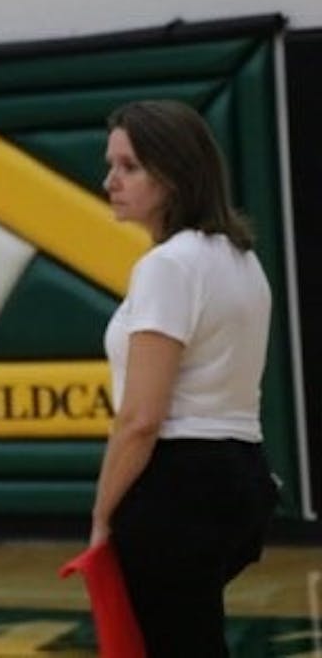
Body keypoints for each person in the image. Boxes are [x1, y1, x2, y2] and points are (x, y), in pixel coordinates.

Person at [90, 99, 278, 656]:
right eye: (111, 164)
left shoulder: (168, 266)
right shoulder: (242, 259)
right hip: (242, 476)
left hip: (178, 487)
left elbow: (141, 419)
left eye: (129, 167)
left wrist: (103, 516)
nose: (110, 181)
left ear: (172, 174)